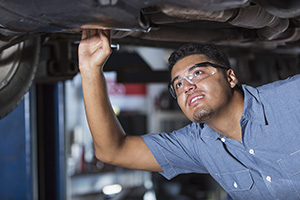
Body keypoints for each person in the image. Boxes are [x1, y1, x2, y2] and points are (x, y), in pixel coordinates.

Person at [78, 29, 300, 200]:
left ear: (230, 78)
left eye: (198, 73)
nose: (187, 87)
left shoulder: (291, 97)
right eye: (178, 84)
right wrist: (90, 70)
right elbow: (112, 151)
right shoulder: (197, 146)